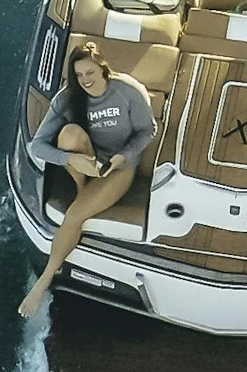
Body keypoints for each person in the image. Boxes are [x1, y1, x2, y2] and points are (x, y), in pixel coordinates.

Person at [18, 43, 157, 318]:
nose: (86, 80)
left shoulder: (128, 91)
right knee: (68, 133)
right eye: (79, 75)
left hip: (119, 167)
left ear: (104, 69)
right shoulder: (68, 98)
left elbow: (147, 131)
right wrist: (70, 159)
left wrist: (122, 157)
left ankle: (44, 280)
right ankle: (84, 189)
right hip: (87, 162)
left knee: (73, 216)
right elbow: (38, 146)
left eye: (90, 72)